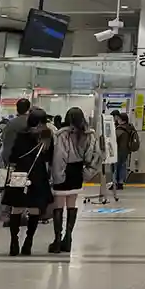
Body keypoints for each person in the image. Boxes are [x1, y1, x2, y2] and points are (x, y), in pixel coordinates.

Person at [49, 107, 102, 253]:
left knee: (59, 206)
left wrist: (57, 176)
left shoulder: (62, 134)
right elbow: (96, 157)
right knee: (72, 204)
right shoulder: (89, 135)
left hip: (63, 171)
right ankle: (69, 238)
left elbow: (60, 157)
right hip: (77, 172)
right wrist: (86, 173)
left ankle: (57, 240)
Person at [1, 107, 53, 256]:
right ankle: (28, 242)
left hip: (20, 176)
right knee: (35, 210)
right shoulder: (47, 138)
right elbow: (49, 158)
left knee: (16, 209)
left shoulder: (21, 135)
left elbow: (12, 157)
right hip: (38, 177)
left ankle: (14, 242)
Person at [114, 111, 139, 190]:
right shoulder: (130, 128)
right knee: (123, 166)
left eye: (118, 119)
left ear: (122, 119)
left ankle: (115, 183)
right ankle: (121, 182)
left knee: (115, 167)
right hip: (126, 150)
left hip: (118, 151)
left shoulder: (120, 129)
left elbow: (113, 139)